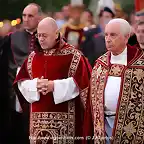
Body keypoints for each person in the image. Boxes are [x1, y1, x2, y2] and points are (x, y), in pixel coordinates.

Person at [13, 17, 91, 144]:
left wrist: (54, 86)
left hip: (66, 126)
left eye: (45, 35)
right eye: (39, 35)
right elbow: (21, 82)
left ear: (56, 34)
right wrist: (35, 85)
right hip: (37, 126)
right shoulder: (32, 58)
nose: (41, 39)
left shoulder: (74, 56)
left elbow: (83, 83)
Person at [83, 18, 144, 144]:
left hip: (133, 130)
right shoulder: (100, 64)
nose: (108, 39)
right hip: (103, 126)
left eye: (113, 35)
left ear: (126, 37)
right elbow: (91, 101)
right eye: (106, 34)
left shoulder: (140, 63)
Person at [0, 3, 43, 144]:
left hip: (41, 96)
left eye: (30, 16)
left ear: (39, 18)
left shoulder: (48, 37)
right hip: (15, 97)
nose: (26, 19)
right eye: (24, 15)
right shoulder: (12, 38)